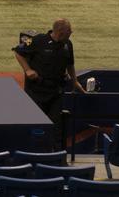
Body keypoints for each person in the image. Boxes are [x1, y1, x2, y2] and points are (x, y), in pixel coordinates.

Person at [14, 19, 86, 150]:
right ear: (61, 32)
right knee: (35, 125)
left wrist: (75, 81)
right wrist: (27, 69)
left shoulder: (67, 44)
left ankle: (56, 158)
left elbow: (70, 64)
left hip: (55, 93)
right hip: (36, 91)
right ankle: (32, 155)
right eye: (69, 30)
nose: (72, 32)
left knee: (56, 127)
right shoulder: (37, 40)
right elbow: (18, 52)